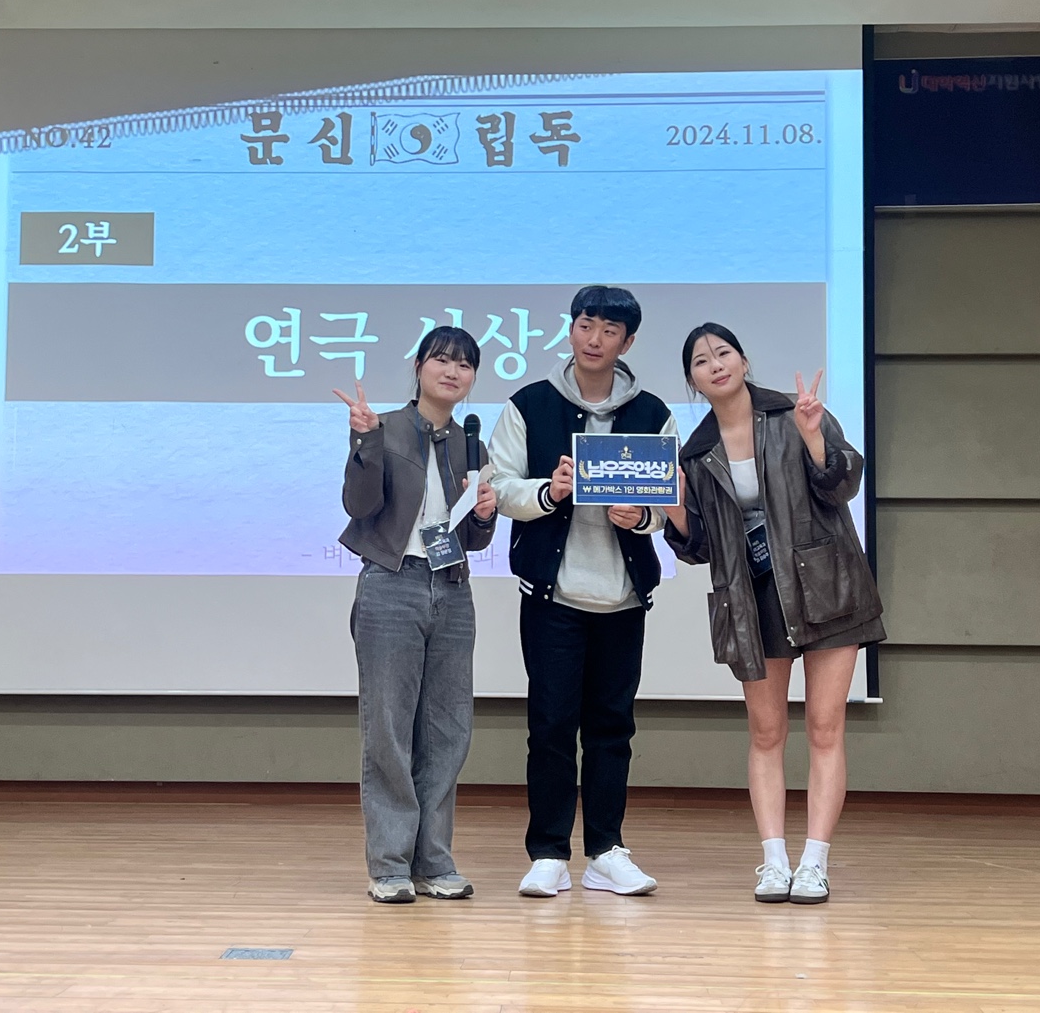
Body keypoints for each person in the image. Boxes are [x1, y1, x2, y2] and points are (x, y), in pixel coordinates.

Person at [662, 322, 884, 906]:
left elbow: (842, 484)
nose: (715, 364)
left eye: (723, 353)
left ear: (743, 360)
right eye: (702, 360)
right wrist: (677, 510)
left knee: (825, 728)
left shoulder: (794, 413)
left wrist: (813, 438)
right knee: (766, 733)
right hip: (753, 597)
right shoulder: (695, 452)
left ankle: (815, 862)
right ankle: (774, 861)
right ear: (692, 380)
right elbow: (700, 547)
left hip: (826, 585)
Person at [489, 285, 677, 898]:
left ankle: (605, 850)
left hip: (622, 597)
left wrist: (641, 518)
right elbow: (500, 487)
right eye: (585, 325)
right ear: (570, 329)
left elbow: (667, 503)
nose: (594, 339)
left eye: (609, 330)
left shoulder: (653, 413)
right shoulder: (529, 404)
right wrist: (550, 491)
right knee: (549, 725)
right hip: (553, 595)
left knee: (612, 727)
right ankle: (548, 852)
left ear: (628, 341)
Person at [336, 326, 498, 904]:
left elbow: (472, 539)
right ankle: (389, 864)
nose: (452, 372)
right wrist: (364, 441)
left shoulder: (472, 446)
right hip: (391, 585)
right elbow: (359, 505)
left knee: (448, 731)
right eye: (442, 360)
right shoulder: (383, 427)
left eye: (464, 365)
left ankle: (434, 861)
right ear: (420, 367)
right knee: (388, 729)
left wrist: (485, 514)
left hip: (452, 590)